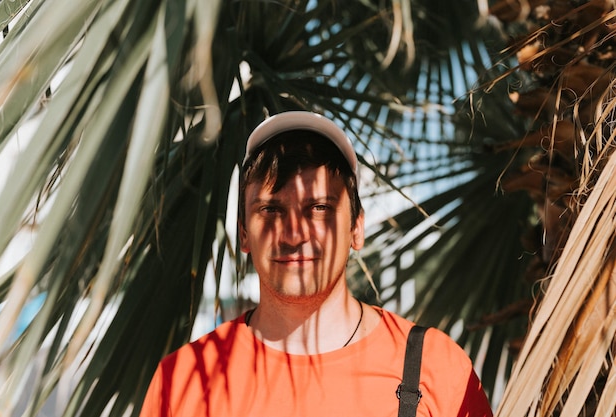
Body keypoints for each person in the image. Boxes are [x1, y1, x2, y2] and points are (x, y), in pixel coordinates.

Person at [139, 111, 493, 417]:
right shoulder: (183, 379)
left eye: (319, 209)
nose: (294, 234)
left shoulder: (435, 368)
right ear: (244, 233)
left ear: (356, 228)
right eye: (271, 210)